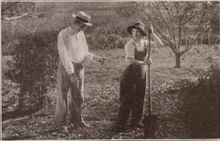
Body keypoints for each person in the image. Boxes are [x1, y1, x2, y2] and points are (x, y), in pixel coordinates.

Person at [54, 11, 109, 131]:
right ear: (75, 23)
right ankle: (61, 124)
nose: (83, 29)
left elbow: (84, 53)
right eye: (81, 26)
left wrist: (96, 58)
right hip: (65, 67)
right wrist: (71, 73)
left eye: (84, 27)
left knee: (79, 96)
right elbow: (64, 55)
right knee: (62, 97)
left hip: (79, 67)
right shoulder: (63, 34)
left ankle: (77, 121)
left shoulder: (81, 35)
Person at [112, 21, 163, 132]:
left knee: (140, 97)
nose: (135, 33)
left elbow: (160, 45)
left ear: (142, 33)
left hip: (142, 73)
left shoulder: (145, 42)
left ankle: (136, 122)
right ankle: (120, 125)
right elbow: (130, 60)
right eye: (133, 31)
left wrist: (153, 33)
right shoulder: (129, 44)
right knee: (127, 99)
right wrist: (145, 63)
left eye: (138, 31)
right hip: (130, 74)